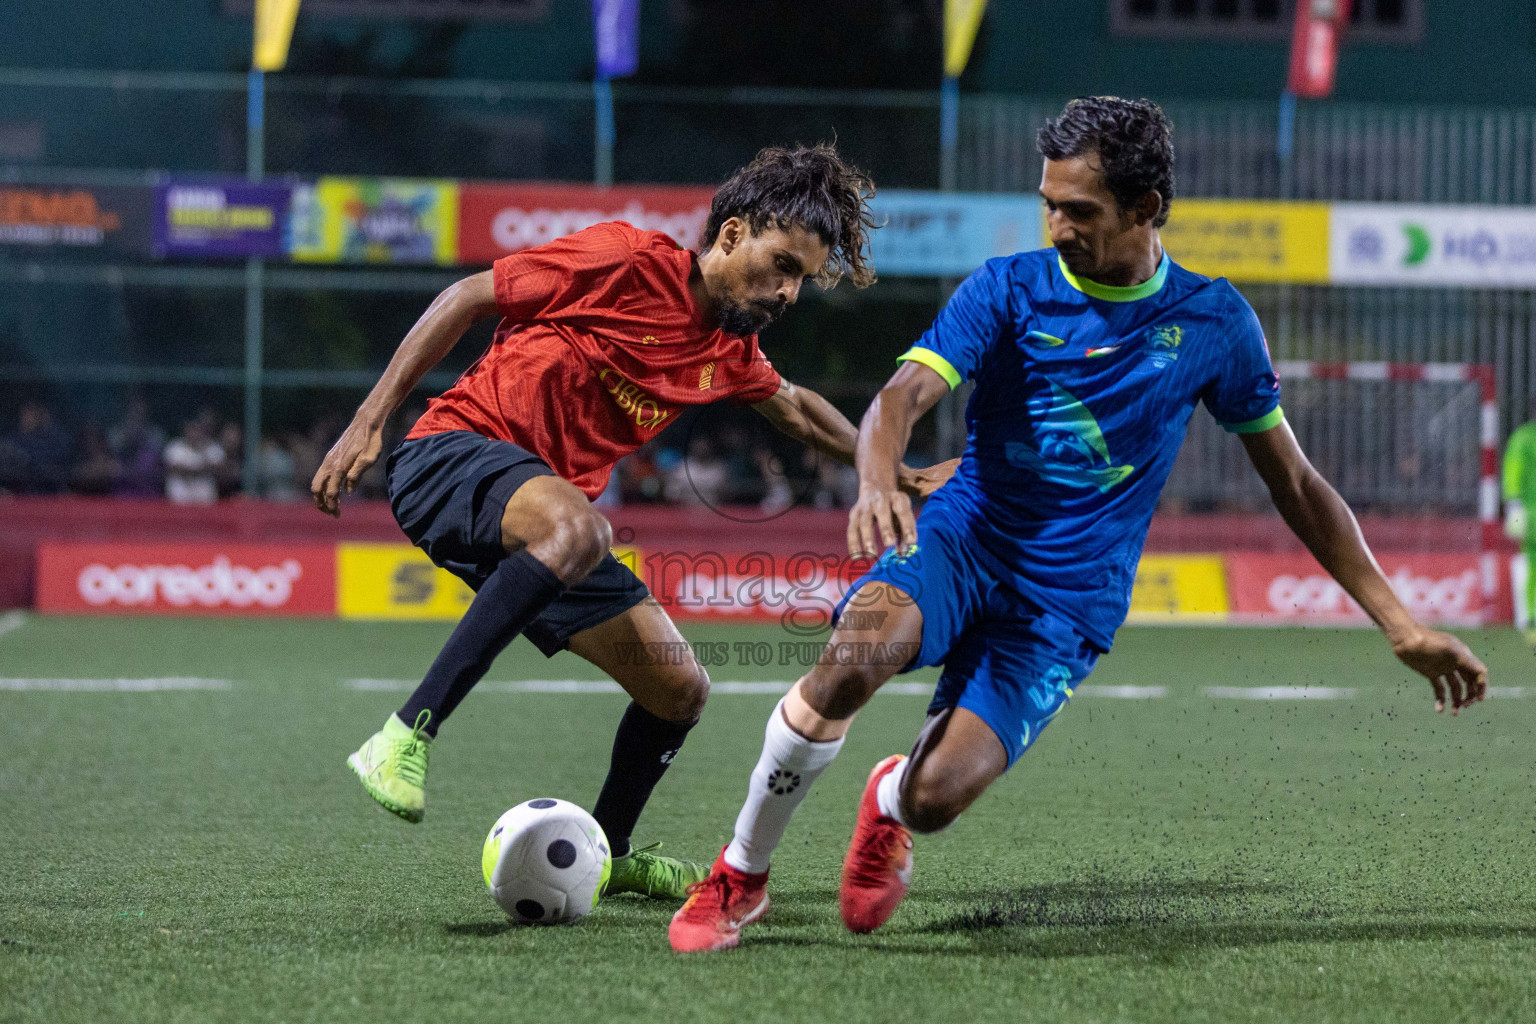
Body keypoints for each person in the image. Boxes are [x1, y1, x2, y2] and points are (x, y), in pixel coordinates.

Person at [669, 98, 1492, 953]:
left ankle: (889, 802)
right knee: (848, 665)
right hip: (961, 539)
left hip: (1067, 601)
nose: (1057, 225)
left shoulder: (1214, 324)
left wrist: (1400, 623)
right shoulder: (1007, 288)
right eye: (1048, 204)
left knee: (935, 801)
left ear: (1148, 209)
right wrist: (877, 479)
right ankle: (739, 875)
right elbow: (901, 397)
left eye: (1080, 211)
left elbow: (1297, 483)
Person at [311, 144, 951, 902]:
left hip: (548, 528)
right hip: (451, 456)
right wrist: (367, 421)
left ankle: (608, 854)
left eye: (801, 280)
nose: (788, 292)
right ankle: (402, 736)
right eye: (783, 265)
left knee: (678, 688)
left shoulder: (728, 348)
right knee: (583, 530)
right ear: (733, 233)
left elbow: (796, 408)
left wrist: (894, 474)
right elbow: (466, 297)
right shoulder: (624, 260)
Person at [1504, 401, 1536, 644]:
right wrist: (1514, 507)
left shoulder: (1523, 438)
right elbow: (1514, 473)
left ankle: (1531, 620)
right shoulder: (1524, 438)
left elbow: (1513, 473)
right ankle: (1532, 620)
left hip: (1530, 514)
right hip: (1532, 515)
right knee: (1533, 564)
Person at [163, 412, 225, 505]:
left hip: (205, 504)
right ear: (185, 430)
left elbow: (218, 470)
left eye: (196, 429)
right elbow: (173, 468)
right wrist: (202, 469)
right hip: (179, 504)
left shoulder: (213, 448)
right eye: (191, 429)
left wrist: (188, 470)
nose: (194, 433)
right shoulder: (175, 447)